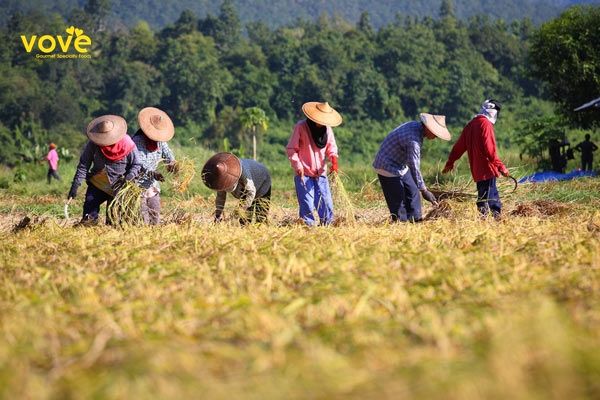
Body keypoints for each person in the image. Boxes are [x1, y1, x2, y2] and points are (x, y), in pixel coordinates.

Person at [373, 113, 451, 222]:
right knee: (398, 199)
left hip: (400, 164)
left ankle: (416, 220)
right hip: (386, 165)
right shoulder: (413, 140)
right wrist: (424, 190)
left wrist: (420, 188)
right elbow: (414, 166)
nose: (436, 137)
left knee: (413, 191)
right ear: (428, 129)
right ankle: (401, 223)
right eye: (435, 134)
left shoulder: (416, 126)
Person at [68, 115, 142, 224]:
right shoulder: (94, 143)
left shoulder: (127, 143)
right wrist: (75, 185)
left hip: (120, 185)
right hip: (98, 182)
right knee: (89, 211)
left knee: (113, 219)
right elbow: (84, 164)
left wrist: (129, 176)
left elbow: (137, 164)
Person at [442, 99, 509, 219]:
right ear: (493, 112)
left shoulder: (470, 125)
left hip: (477, 171)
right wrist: (500, 165)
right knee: (491, 198)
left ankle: (484, 219)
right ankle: (495, 221)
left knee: (483, 196)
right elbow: (490, 149)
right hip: (487, 169)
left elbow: (459, 146)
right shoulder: (486, 124)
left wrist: (450, 162)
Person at [286, 102, 340, 226]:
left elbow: (331, 147)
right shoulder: (301, 127)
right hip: (304, 174)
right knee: (307, 203)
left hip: (321, 173)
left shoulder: (327, 129)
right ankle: (308, 227)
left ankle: (327, 226)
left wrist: (334, 160)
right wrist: (298, 165)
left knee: (325, 203)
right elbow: (291, 149)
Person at [132, 107, 176, 225]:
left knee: (155, 216)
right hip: (136, 186)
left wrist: (172, 163)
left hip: (152, 185)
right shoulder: (137, 141)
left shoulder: (160, 141)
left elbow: (168, 154)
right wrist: (153, 173)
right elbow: (138, 164)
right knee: (143, 218)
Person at [202, 152, 272, 225]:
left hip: (262, 179)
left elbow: (251, 191)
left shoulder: (243, 172)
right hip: (245, 190)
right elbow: (220, 197)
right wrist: (218, 215)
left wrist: (241, 209)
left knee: (260, 217)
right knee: (244, 220)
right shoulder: (221, 179)